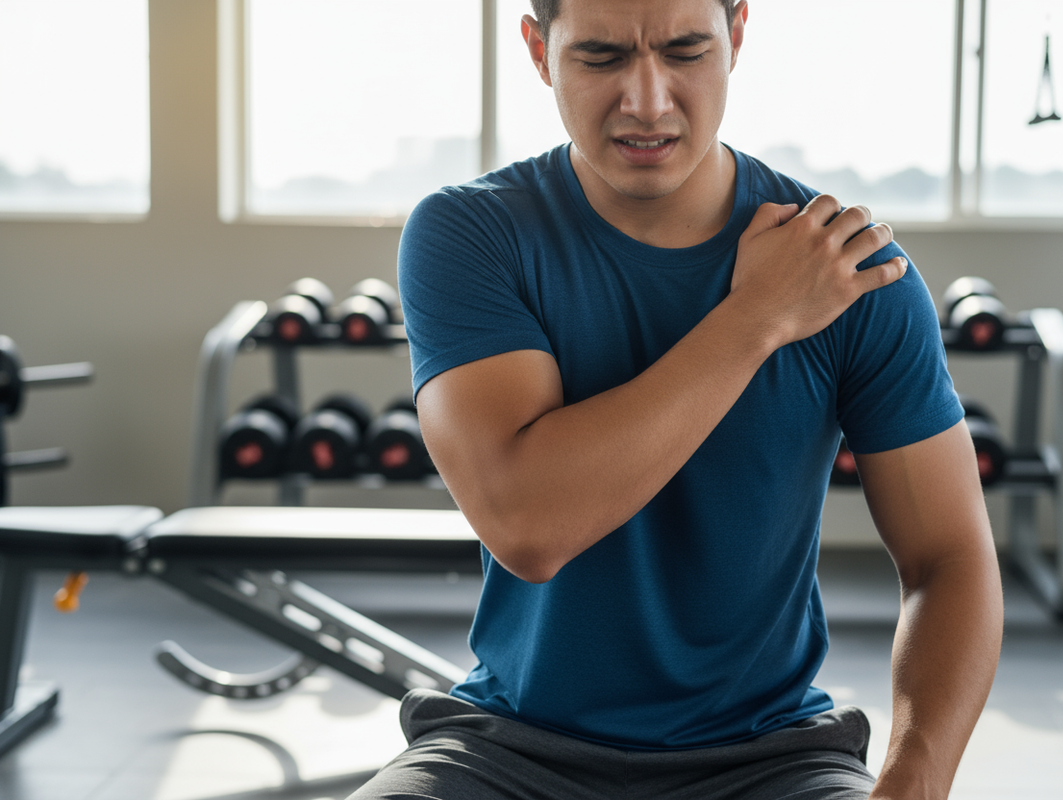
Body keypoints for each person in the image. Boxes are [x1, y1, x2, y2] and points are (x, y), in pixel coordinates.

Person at [350, 0, 1003, 797]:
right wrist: (756, 318)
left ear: (736, 36)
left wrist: (914, 780)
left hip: (772, 759)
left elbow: (949, 559)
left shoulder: (850, 274)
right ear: (537, 48)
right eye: (601, 58)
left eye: (686, 51)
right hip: (512, 751)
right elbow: (530, 524)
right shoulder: (472, 235)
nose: (648, 101)